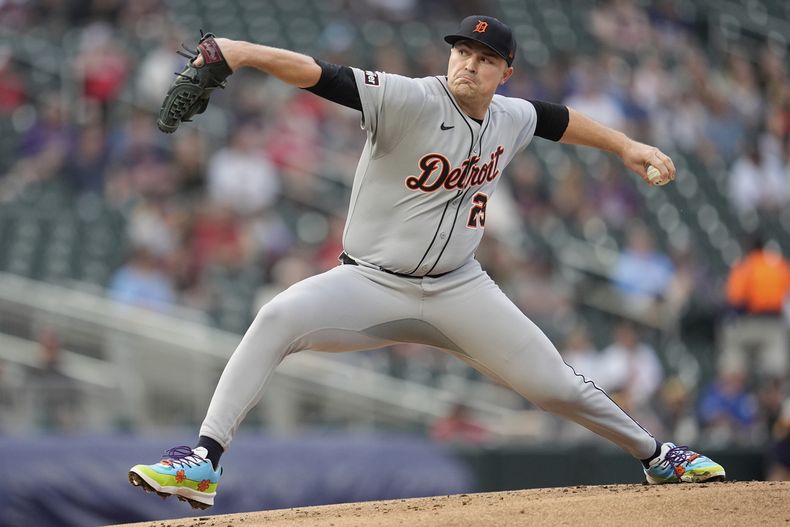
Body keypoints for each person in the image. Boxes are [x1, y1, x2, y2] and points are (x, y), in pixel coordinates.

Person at [129, 16, 725, 509]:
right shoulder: (410, 98)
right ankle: (203, 459)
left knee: (556, 386)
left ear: (505, 72)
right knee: (276, 317)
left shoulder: (509, 117)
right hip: (370, 282)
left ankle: (657, 456)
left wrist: (626, 145)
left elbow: (557, 120)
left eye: (485, 57)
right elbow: (319, 74)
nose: (468, 63)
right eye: (462, 51)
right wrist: (237, 52)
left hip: (461, 289)